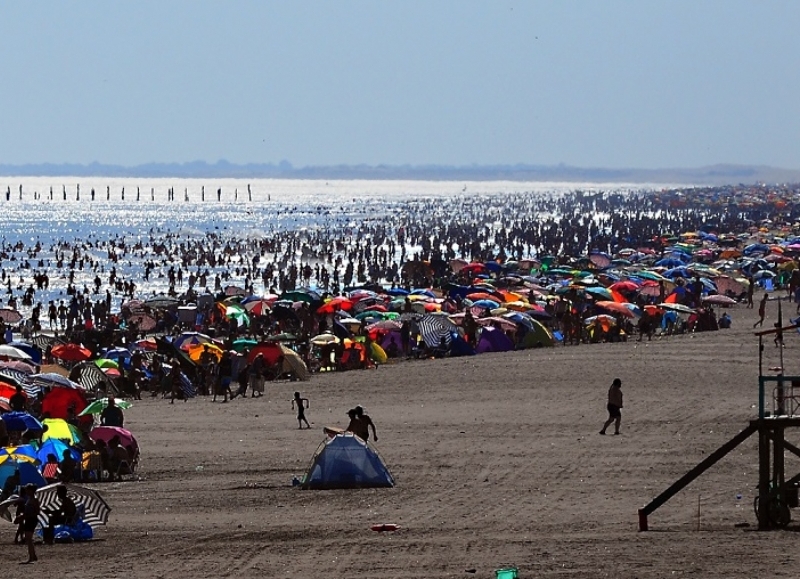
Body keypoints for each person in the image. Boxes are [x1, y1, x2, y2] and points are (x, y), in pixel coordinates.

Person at [15, 483, 40, 563]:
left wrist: (25, 516)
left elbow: (37, 512)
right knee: (28, 538)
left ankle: (31, 557)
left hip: (32, 520)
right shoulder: (29, 499)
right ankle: (33, 555)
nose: (26, 491)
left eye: (27, 490)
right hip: (28, 519)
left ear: (31, 490)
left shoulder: (34, 499)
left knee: (28, 539)